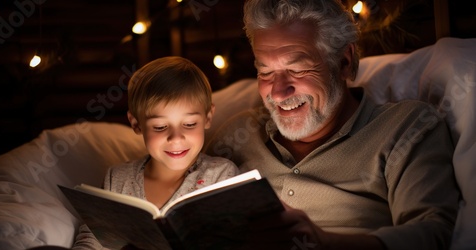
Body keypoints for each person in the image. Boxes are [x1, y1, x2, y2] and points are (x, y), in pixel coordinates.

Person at [205, 0, 460, 249]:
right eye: (266, 73)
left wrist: (324, 242)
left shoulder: (407, 128)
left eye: (297, 69)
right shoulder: (237, 135)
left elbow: (431, 233)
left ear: (343, 62)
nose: (279, 93)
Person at [73, 56, 239, 249]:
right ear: (136, 124)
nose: (176, 138)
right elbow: (92, 238)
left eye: (190, 124)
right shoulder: (117, 179)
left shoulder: (222, 176)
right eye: (160, 127)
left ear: (208, 118)